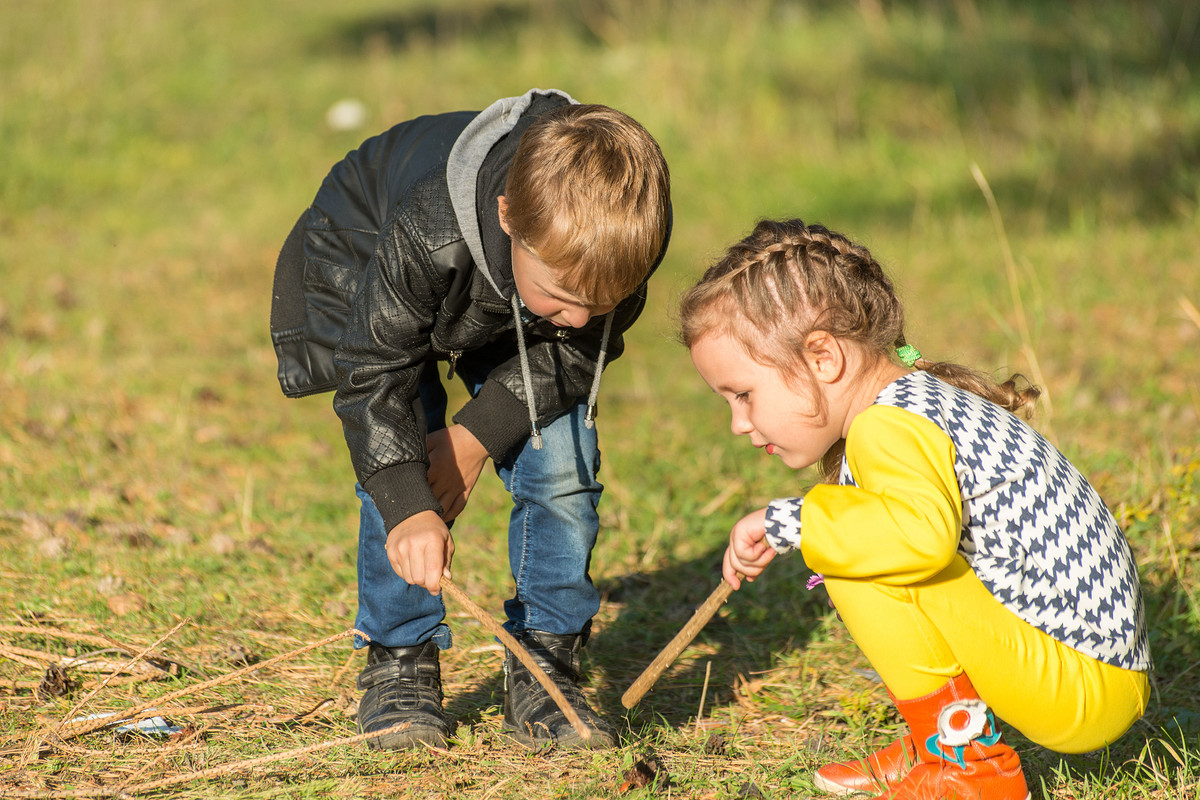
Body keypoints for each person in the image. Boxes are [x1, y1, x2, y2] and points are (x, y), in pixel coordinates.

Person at [679, 219, 1149, 800]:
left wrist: (791, 522)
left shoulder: (890, 425)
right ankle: (943, 741)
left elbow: (919, 539)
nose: (738, 424)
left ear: (823, 357)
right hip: (1087, 669)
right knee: (848, 523)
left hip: (1080, 685)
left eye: (743, 395)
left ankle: (972, 766)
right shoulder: (913, 401)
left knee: (855, 543)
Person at [270, 89, 671, 751]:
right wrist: (406, 502)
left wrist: (478, 435)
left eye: (601, 305)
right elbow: (376, 373)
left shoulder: (615, 245)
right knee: (403, 461)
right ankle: (399, 659)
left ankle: (546, 660)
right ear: (509, 217)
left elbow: (574, 350)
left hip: (500, 300)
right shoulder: (428, 233)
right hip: (373, 259)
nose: (579, 320)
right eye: (566, 298)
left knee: (563, 461)